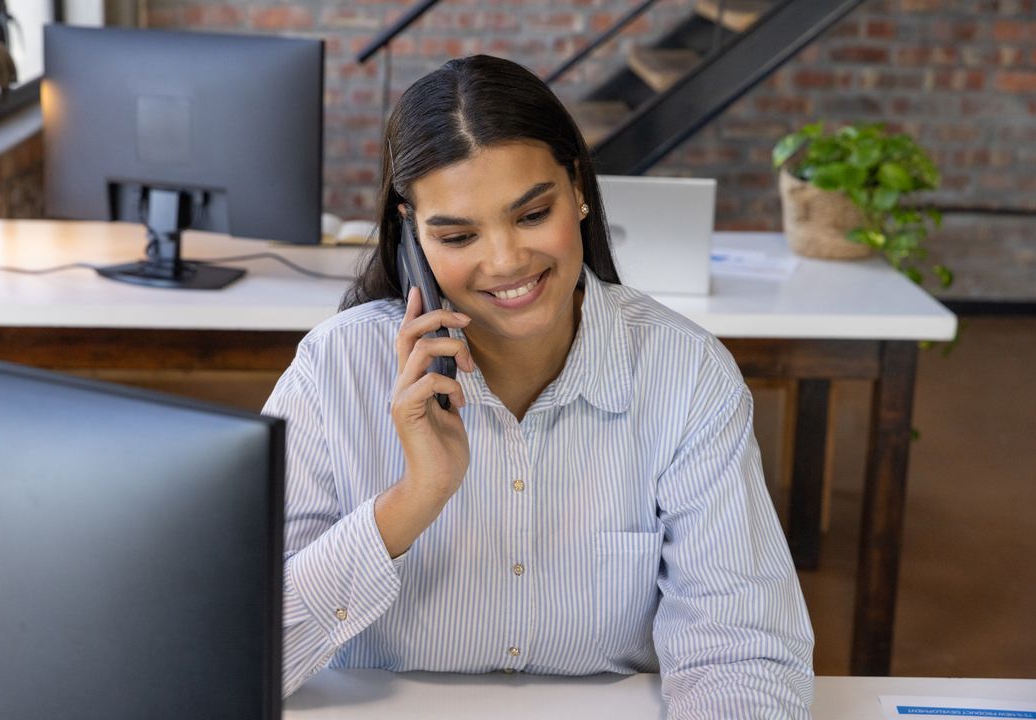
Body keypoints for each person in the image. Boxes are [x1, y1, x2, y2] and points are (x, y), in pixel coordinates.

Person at [263, 54, 814, 718]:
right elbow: (239, 653)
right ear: (411, 235)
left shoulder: (686, 374)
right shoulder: (335, 371)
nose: (506, 262)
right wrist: (411, 502)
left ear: (578, 189)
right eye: (459, 234)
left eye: (531, 215)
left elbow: (741, 652)